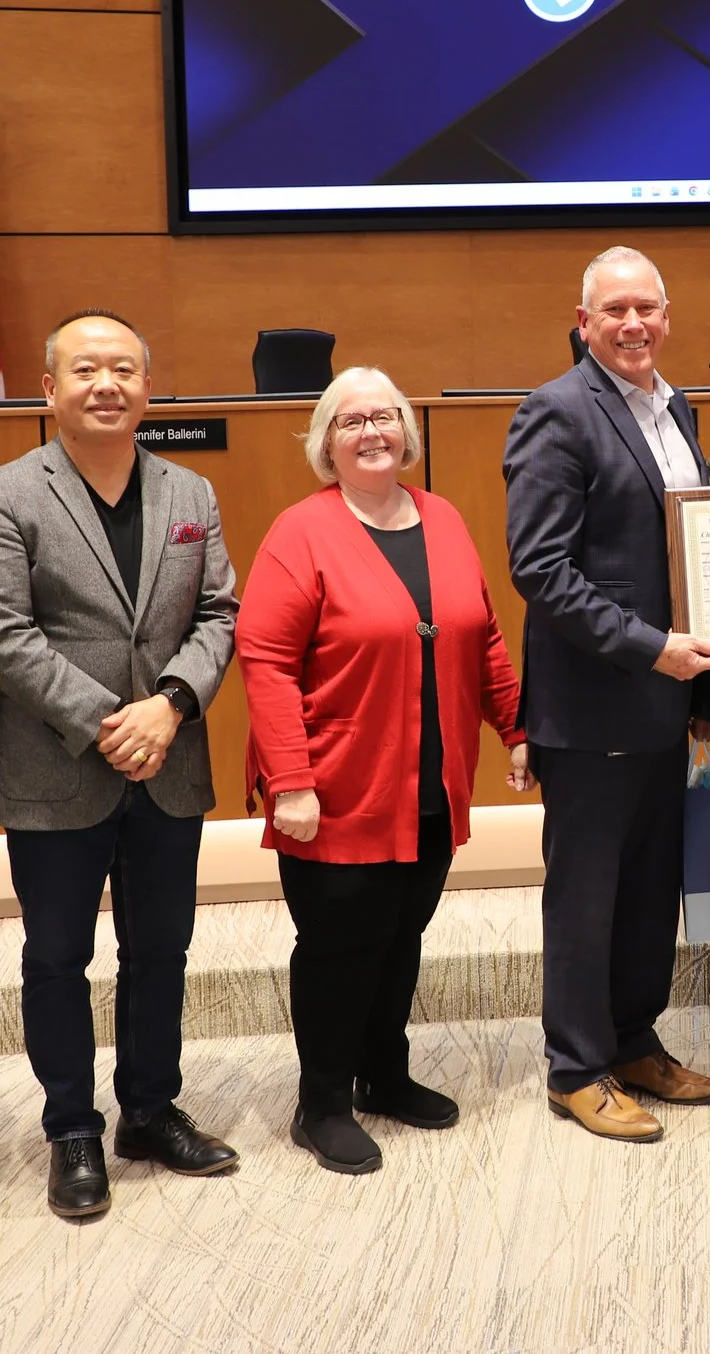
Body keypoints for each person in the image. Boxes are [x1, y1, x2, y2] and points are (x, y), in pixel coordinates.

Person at [0, 310, 241, 1217]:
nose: (107, 384)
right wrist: (109, 720)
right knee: (57, 958)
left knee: (161, 949)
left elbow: (221, 615)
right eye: (87, 370)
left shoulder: (191, 493)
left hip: (171, 758)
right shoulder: (3, 494)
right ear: (50, 389)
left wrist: (170, 705)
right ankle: (72, 1128)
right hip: (58, 768)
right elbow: (2, 635)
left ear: (147, 388)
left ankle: (150, 1110)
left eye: (124, 368)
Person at [240, 368, 532, 1172]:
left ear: (407, 431)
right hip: (337, 789)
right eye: (351, 419)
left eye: (386, 417)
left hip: (431, 786)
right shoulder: (300, 532)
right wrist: (290, 778)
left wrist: (515, 724)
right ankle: (323, 1101)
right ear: (325, 442)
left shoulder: (440, 516)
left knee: (401, 938)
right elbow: (264, 660)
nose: (372, 431)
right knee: (339, 946)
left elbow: (483, 636)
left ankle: (385, 1076)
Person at [504, 246, 710, 1145]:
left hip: (662, 701)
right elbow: (542, 570)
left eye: (648, 308)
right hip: (599, 699)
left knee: (649, 889)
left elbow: (671, 539)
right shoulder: (555, 413)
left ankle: (635, 1041)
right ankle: (575, 1067)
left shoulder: (674, 405)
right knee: (587, 896)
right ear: (584, 321)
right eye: (615, 311)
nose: (634, 324)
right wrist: (652, 650)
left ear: (668, 316)